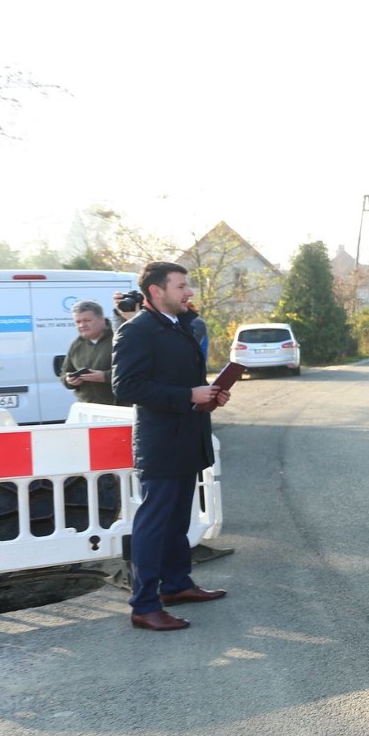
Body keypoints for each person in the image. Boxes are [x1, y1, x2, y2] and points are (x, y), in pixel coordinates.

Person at [111, 261, 230, 631]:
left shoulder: (176, 324)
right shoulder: (136, 331)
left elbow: (182, 377)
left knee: (179, 518)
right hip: (161, 442)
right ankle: (144, 606)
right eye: (181, 286)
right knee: (154, 523)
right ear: (156, 291)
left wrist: (209, 394)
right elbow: (125, 387)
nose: (189, 292)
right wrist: (188, 395)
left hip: (186, 436)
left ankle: (176, 585)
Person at [61, 300, 118, 406]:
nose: (82, 325)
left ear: (102, 320)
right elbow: (65, 372)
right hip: (87, 407)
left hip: (118, 407)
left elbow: (135, 372)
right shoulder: (76, 344)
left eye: (87, 320)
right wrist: (69, 380)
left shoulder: (119, 340)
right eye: (78, 322)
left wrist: (105, 376)